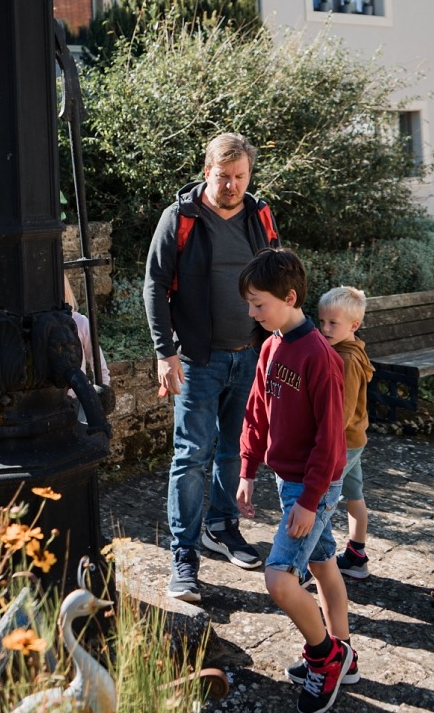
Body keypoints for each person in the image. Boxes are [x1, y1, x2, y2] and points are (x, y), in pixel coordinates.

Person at [144, 133, 279, 602]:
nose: (232, 186)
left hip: (250, 353)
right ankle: (184, 556)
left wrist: (280, 339)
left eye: (240, 177)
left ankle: (221, 528)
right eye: (224, 177)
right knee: (191, 457)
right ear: (207, 172)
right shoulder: (180, 218)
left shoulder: (259, 216)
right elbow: (154, 285)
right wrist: (166, 353)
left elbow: (276, 278)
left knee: (235, 451)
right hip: (198, 360)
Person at [236, 248, 355, 713]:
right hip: (292, 483)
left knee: (280, 580)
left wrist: (308, 501)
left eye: (259, 303)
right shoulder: (270, 346)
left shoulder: (319, 356)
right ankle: (345, 651)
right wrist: (247, 470)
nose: (252, 312)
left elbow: (331, 441)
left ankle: (326, 657)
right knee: (324, 566)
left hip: (315, 487)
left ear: (289, 297)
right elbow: (257, 412)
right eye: (249, 303)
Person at [317, 286, 374, 581]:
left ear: (354, 325)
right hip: (355, 440)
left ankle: (312, 560)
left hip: (344, 443)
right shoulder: (349, 349)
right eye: (322, 321)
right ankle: (356, 555)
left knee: (322, 501)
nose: (325, 329)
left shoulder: (347, 359)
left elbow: (343, 411)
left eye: (333, 324)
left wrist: (323, 442)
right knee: (354, 494)